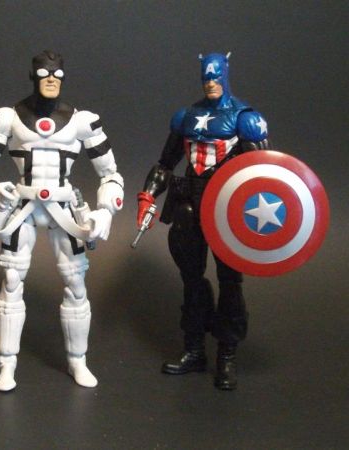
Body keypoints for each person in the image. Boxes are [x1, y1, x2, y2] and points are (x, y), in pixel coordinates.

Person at [0, 50, 124, 391]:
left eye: (57, 74)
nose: (51, 79)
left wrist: (105, 210)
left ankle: (78, 361)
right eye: (44, 73)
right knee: (11, 279)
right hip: (21, 206)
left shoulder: (82, 121)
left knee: (76, 283)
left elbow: (111, 175)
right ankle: (7, 364)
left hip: (64, 208)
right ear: (33, 76)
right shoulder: (7, 118)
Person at [136, 53, 271, 390]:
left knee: (230, 282)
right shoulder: (187, 116)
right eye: (206, 78)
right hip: (189, 206)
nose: (210, 83)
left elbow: (263, 172)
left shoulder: (244, 118)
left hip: (227, 208)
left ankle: (227, 355)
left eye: (216, 77)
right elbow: (165, 163)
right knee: (191, 279)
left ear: (225, 76)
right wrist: (148, 196)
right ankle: (194, 350)